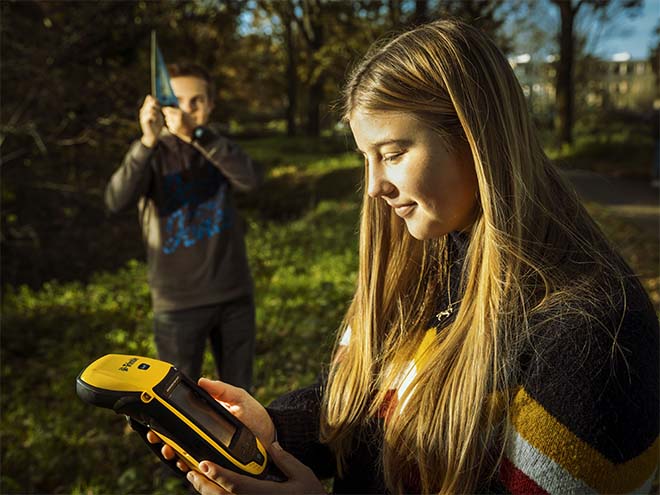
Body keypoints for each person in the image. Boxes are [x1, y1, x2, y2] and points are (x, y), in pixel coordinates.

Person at [151, 20, 659, 494]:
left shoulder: (594, 338)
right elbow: (376, 401)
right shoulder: (432, 253)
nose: (373, 186)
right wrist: (277, 428)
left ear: (475, 137)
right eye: (365, 158)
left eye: (393, 154)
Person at [105, 63, 261, 389]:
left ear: (210, 105)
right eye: (177, 101)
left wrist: (197, 136)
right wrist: (147, 141)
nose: (187, 110)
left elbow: (251, 180)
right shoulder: (151, 153)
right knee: (179, 405)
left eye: (196, 101)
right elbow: (116, 200)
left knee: (239, 398)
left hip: (233, 296)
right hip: (177, 305)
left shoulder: (216, 146)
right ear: (161, 105)